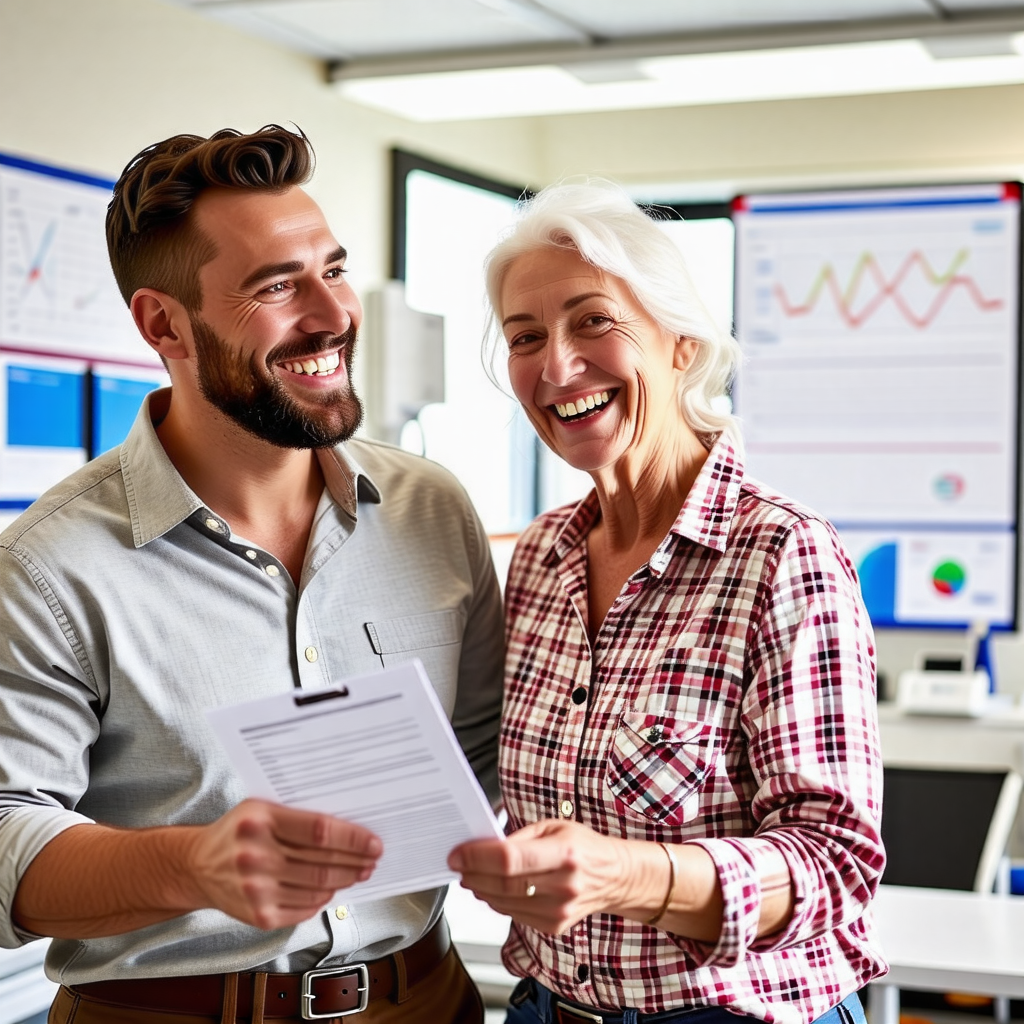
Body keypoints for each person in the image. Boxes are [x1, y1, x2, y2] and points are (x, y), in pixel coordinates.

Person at [0, 126, 503, 1024]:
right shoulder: (51, 566)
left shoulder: (433, 510)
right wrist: (192, 866)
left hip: (426, 999)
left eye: (333, 270)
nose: (331, 314)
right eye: (278, 287)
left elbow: (490, 763)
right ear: (163, 324)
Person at [448, 181, 886, 1024]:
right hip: (547, 1007)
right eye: (525, 337)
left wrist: (627, 876)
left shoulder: (784, 553)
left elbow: (836, 865)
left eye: (593, 321)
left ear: (681, 344)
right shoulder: (542, 557)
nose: (557, 366)